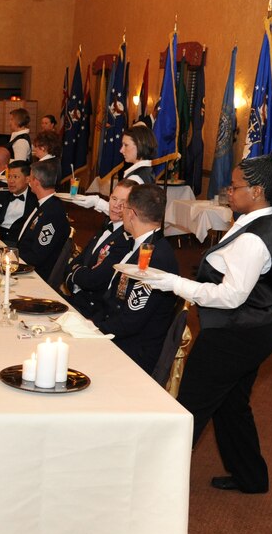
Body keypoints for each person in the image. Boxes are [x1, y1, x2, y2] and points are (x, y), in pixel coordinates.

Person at [144, 152, 272, 494]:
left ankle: (155, 482)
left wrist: (173, 283)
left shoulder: (255, 238)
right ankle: (251, 477)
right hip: (257, 326)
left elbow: (230, 297)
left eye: (235, 186)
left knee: (190, 404)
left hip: (238, 333)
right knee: (231, 403)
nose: (228, 190)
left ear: (257, 191)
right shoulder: (264, 222)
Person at [93, 184, 179, 374]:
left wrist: (91, 330)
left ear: (131, 213)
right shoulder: (144, 245)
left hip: (132, 351)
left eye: (124, 207)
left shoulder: (155, 258)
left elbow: (131, 321)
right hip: (120, 333)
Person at [64, 180, 135, 316]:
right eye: (114, 199)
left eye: (123, 202)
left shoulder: (125, 240)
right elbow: (78, 260)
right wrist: (77, 273)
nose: (116, 206)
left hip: (93, 311)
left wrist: (75, 273)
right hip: (78, 300)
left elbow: (94, 280)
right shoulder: (107, 226)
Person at [75, 124, 157, 215]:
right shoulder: (146, 171)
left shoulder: (136, 178)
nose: (121, 150)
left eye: (126, 145)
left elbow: (121, 213)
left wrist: (96, 201)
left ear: (140, 145)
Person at [15, 159, 70, 283]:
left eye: (30, 177)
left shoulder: (53, 213)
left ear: (36, 182)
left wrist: (9, 258)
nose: (28, 180)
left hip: (34, 275)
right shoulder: (45, 205)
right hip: (23, 263)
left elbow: (37, 256)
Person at [0, 160, 32, 248]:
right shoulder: (2, 194)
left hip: (18, 244)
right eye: (9, 176)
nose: (11, 181)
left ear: (27, 179)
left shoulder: (34, 199)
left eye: (15, 177)